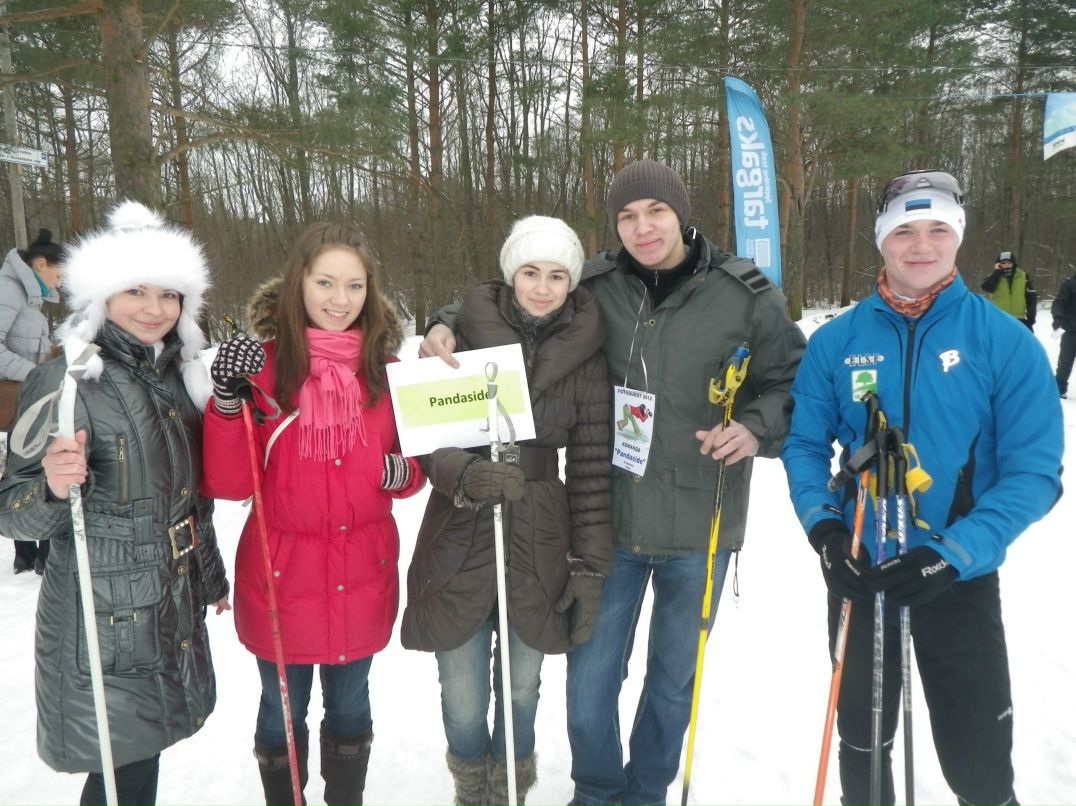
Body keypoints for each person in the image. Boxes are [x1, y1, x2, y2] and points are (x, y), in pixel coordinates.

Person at [421, 160, 806, 806]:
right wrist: (439, 321)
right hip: (613, 521)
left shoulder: (747, 296)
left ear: (681, 214)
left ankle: (647, 791)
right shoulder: (594, 286)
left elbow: (794, 383)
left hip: (701, 525)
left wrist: (755, 429)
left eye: (655, 211)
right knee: (591, 677)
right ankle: (596, 790)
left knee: (673, 681)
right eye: (626, 216)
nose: (641, 227)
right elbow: (508, 305)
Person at [781, 169, 1064, 806]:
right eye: (904, 230)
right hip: (862, 569)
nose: (921, 245)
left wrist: (956, 553)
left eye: (938, 228)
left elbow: (1035, 474)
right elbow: (803, 445)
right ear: (881, 240)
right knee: (863, 745)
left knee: (978, 762)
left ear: (959, 237)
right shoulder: (837, 341)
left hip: (954, 575)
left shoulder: (1005, 342)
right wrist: (824, 528)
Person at [0, 201, 231, 806]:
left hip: (167, 600)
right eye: (135, 291)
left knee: (137, 758)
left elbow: (190, 499)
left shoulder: (178, 377)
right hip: (102, 616)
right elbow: (11, 509)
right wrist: (52, 484)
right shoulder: (68, 379)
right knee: (121, 764)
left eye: (169, 294)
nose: (154, 309)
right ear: (101, 294)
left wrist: (210, 577)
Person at [201, 221, 426, 806]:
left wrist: (401, 473)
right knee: (281, 712)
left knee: (351, 706)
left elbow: (416, 465)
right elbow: (228, 483)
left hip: (361, 570)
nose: (339, 299)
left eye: (354, 286)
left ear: (370, 292)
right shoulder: (266, 367)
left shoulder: (389, 369)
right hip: (282, 576)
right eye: (325, 282)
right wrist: (228, 400)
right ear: (299, 283)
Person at [401, 216, 613, 806]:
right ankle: (473, 784)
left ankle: (513, 784)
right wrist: (461, 473)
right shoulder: (459, 337)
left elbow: (594, 469)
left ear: (571, 283)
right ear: (509, 274)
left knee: (522, 684)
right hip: (461, 521)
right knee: (462, 687)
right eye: (529, 273)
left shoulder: (589, 358)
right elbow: (421, 436)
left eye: (556, 276)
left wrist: (589, 563)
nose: (542, 288)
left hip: (541, 527)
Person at [0, 228, 64, 574]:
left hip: (29, 400)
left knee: (29, 466)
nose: (60, 281)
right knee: (30, 468)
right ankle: (35, 552)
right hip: (20, 399)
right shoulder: (8, 290)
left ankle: (32, 552)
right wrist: (38, 376)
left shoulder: (26, 296)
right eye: (58, 272)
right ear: (40, 265)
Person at [981, 250, 1037, 330]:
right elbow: (986, 287)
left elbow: (1031, 298)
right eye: (1003, 263)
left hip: (1019, 320)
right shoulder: (993, 277)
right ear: (998, 264)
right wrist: (997, 273)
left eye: (1009, 263)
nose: (1006, 265)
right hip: (999, 319)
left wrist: (1031, 317)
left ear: (1014, 264)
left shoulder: (1023, 277)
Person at [1051, 269, 1076, 398]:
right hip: (1071, 331)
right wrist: (1057, 317)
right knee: (1065, 363)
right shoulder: (1069, 285)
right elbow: (1059, 302)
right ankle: (1059, 388)